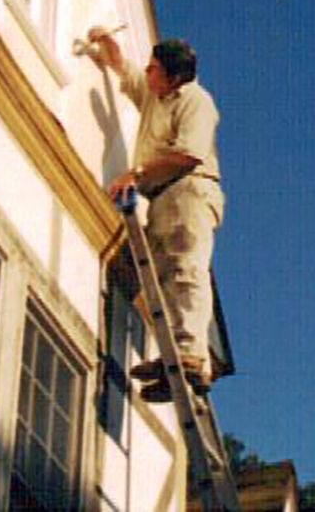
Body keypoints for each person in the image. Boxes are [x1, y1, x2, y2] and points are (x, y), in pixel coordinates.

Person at [87, 26, 224, 402]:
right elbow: (127, 71)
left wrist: (136, 173)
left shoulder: (196, 102)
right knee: (163, 282)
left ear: (174, 77)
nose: (146, 73)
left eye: (154, 69)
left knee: (185, 269)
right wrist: (107, 45)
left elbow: (188, 155)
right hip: (163, 196)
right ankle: (175, 364)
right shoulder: (154, 93)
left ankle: (191, 355)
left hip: (189, 189)